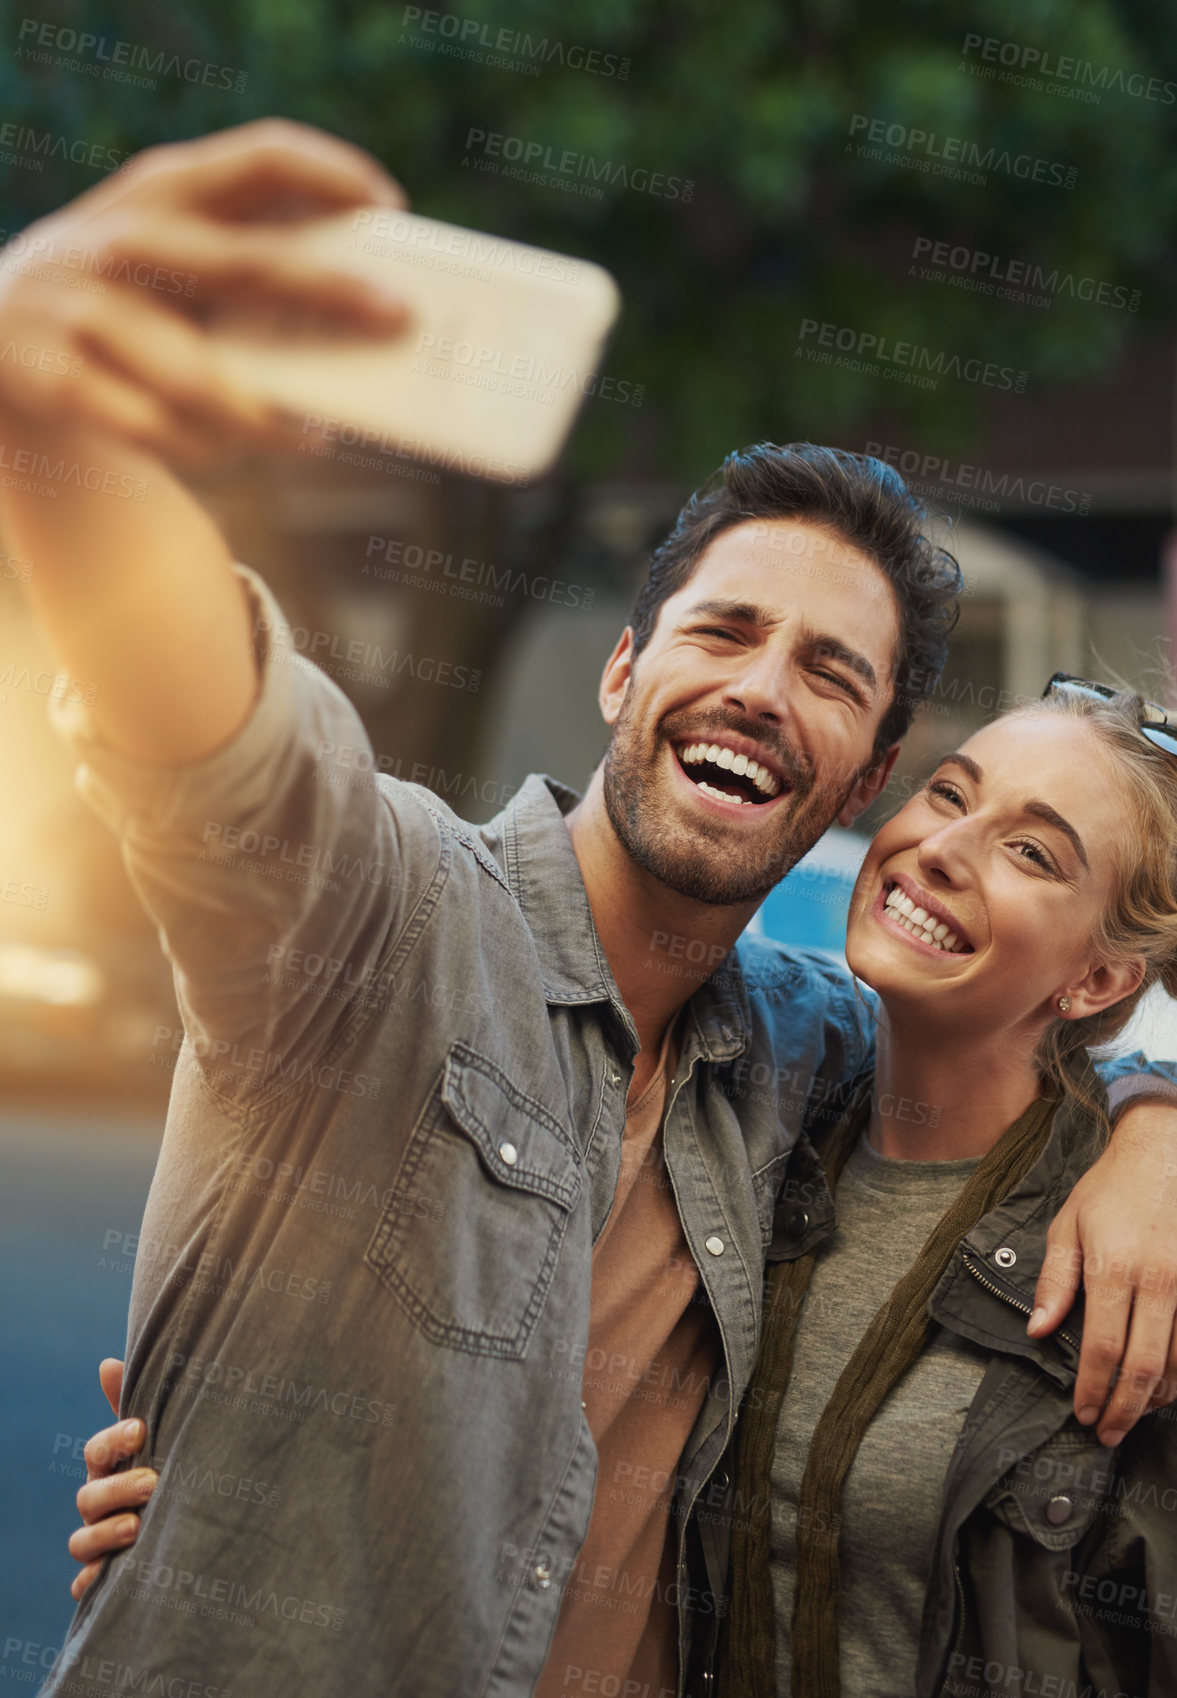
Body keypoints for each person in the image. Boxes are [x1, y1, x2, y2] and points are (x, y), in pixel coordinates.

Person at [3, 120, 1174, 1698]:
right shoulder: (384, 913)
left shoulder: (814, 1052)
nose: (762, 690)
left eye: (829, 674)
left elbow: (1037, 1028)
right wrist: (49, 425)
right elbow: (217, 738)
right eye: (726, 630)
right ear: (627, 669)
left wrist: (1156, 1119)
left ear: (861, 775)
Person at [694, 677, 1177, 1697]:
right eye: (951, 794)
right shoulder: (752, 1115)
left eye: (1031, 852)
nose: (944, 849)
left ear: (1096, 981)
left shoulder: (1135, 1268)